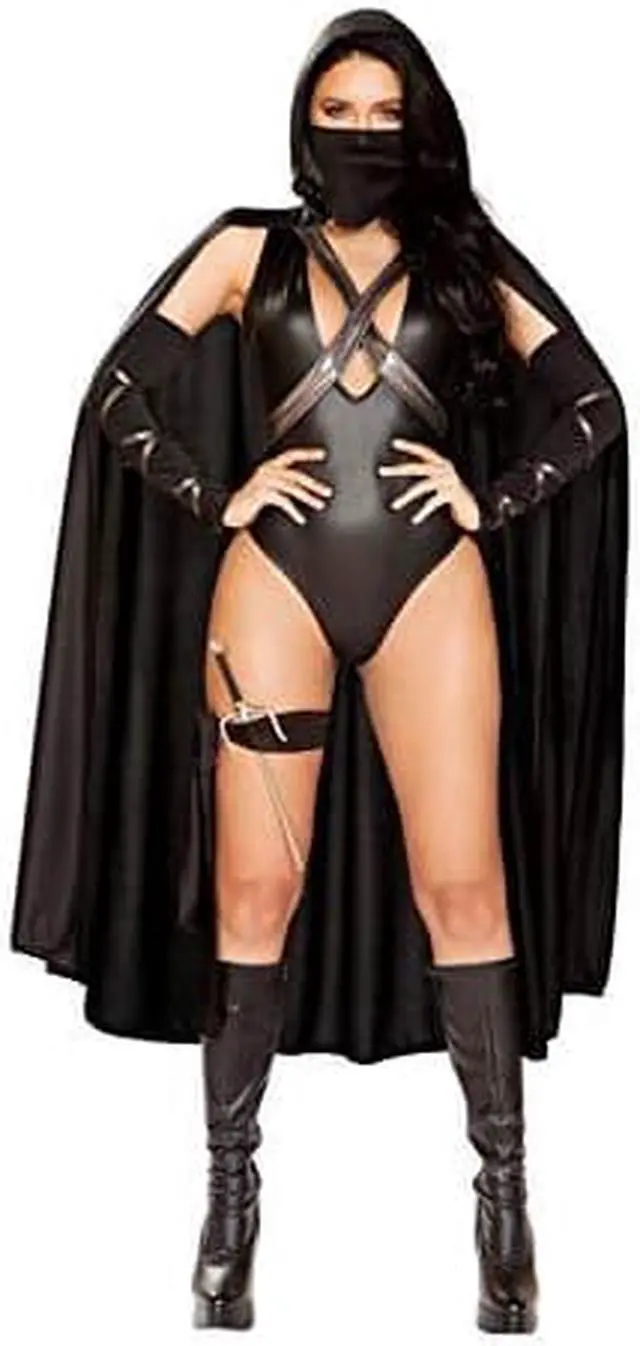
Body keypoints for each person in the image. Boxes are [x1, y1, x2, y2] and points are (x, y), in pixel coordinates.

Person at [10, 7, 628, 1336]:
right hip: (272, 586)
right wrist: (214, 490)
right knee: (254, 891)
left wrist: (494, 498)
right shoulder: (246, 250)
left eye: (382, 114)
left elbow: (595, 404)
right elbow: (117, 389)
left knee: (465, 889)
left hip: (431, 587)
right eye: (336, 112)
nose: (358, 134)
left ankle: (505, 1210)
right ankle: (229, 1208)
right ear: (303, 123)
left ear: (420, 124)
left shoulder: (466, 258)